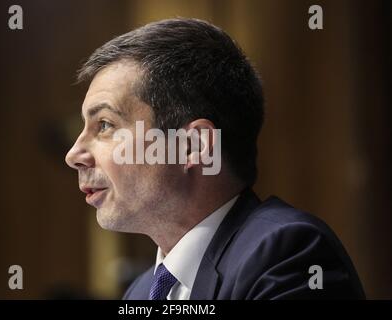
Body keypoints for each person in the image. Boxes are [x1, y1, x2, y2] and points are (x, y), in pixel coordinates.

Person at [65, 18, 365, 299]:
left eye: (104, 125)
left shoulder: (287, 254)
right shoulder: (142, 291)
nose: (74, 155)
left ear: (192, 145)